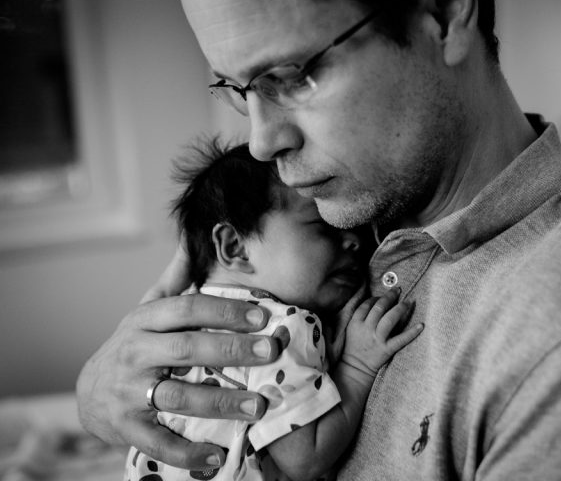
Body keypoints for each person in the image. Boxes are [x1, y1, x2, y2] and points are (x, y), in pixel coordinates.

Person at [77, 0, 561, 479]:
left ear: (444, 12)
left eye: (292, 76)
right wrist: (104, 393)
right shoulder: (337, 224)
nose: (261, 141)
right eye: (237, 89)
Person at [125, 139, 422, 481]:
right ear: (235, 247)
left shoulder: (175, 314)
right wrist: (356, 367)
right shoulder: (279, 327)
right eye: (324, 227)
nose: (354, 243)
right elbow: (304, 459)